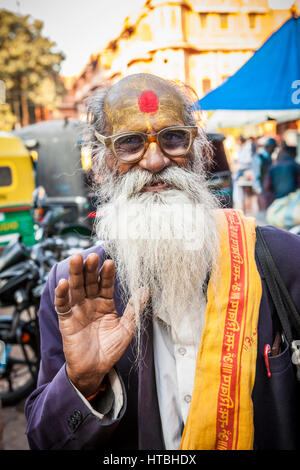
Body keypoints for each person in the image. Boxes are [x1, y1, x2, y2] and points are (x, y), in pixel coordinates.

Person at [25, 74, 300, 451]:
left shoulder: (281, 260)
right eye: (130, 144)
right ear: (104, 164)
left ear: (198, 150)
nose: (154, 161)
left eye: (172, 138)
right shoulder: (74, 289)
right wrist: (81, 383)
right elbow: (45, 441)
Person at [252, 137, 277, 210]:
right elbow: (256, 175)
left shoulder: (269, 158)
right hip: (262, 190)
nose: (273, 150)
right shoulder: (259, 157)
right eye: (272, 148)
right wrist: (259, 190)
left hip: (268, 190)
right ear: (267, 147)